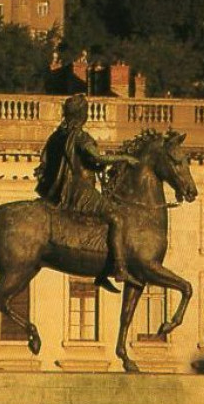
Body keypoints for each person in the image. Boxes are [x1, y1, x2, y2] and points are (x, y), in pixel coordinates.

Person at [35, 92, 141, 287]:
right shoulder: (80, 137)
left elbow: (45, 161)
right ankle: (119, 267)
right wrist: (124, 158)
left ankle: (100, 271)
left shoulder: (57, 136)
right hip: (80, 192)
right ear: (82, 115)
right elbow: (98, 158)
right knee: (117, 217)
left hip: (61, 192)